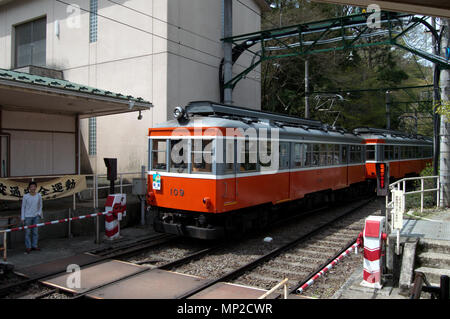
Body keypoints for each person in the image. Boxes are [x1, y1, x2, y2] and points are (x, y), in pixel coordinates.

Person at [21, 181, 43, 254]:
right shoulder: (25, 196)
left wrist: (39, 213)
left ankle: (34, 245)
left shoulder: (39, 195)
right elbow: (23, 207)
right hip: (27, 216)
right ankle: (28, 247)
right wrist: (22, 218)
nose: (33, 188)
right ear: (29, 188)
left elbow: (40, 205)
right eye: (31, 187)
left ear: (36, 188)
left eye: (34, 187)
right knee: (27, 232)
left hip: (36, 216)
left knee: (35, 232)